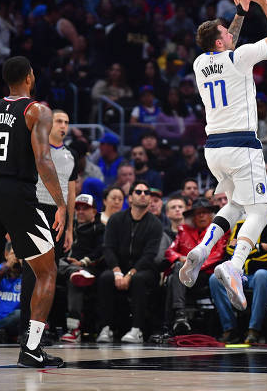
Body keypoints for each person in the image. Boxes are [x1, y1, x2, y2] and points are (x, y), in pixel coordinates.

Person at [180, 0, 267, 313]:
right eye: (226, 32)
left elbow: (228, 44)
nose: (231, 34)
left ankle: (203, 248)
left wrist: (241, 11)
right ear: (220, 41)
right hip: (242, 145)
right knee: (260, 212)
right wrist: (263, 1)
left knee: (238, 206)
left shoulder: (200, 65)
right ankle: (235, 265)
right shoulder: (240, 58)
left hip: (214, 149)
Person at [0, 56, 66, 369]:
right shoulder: (38, 110)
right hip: (17, 193)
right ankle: (32, 347)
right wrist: (60, 202)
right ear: (29, 77)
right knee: (47, 271)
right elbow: (44, 161)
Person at [18, 108, 76, 344]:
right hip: (35, 208)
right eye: (59, 121)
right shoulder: (36, 149)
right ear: (49, 124)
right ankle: (26, 330)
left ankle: (41, 328)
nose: (63, 125)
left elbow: (71, 193)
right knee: (32, 273)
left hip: (59, 216)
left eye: (66, 122)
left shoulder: (71, 156)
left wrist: (70, 227)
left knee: (50, 274)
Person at [96, 181, 162, 344]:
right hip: (120, 267)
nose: (143, 195)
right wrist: (118, 272)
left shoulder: (155, 224)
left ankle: (137, 329)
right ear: (130, 198)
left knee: (139, 279)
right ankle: (106, 328)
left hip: (144, 269)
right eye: (138, 192)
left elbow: (150, 255)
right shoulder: (116, 219)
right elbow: (108, 248)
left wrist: (130, 274)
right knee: (105, 277)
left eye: (146, 193)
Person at [209, 214, 267, 343]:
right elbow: (229, 250)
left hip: (263, 272)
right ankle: (230, 329)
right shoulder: (240, 224)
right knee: (215, 279)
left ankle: (254, 330)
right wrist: (259, 246)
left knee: (261, 275)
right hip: (240, 273)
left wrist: (243, 250)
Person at [164, 199, 227, 335]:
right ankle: (179, 316)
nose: (202, 216)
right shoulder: (183, 231)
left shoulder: (218, 231)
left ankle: (171, 323)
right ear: (192, 217)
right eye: (198, 214)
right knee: (176, 271)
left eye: (205, 213)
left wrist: (194, 265)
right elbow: (169, 252)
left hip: (206, 274)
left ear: (211, 215)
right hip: (185, 274)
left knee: (173, 278)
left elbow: (218, 254)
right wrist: (181, 258)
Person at [59, 194, 105, 343]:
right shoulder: (67, 226)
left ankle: (74, 329)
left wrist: (82, 263)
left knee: (76, 280)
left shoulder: (99, 228)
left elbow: (102, 250)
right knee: (48, 269)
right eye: (77, 208)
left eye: (85, 208)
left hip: (88, 268)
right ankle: (42, 325)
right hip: (65, 265)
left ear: (94, 211)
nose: (80, 211)